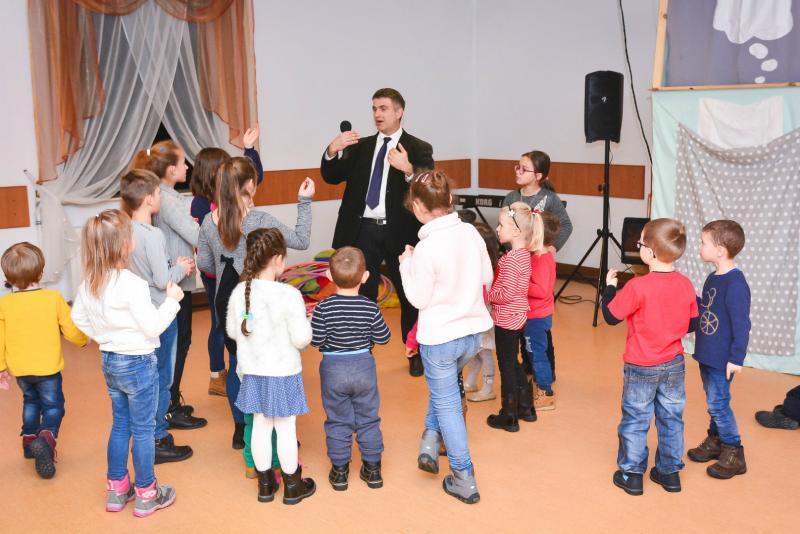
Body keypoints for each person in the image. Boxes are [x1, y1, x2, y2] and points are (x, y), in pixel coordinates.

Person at [71, 209, 181, 517]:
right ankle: (147, 493)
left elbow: (78, 317)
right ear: (123, 245)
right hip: (138, 364)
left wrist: (104, 337)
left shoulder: (90, 282)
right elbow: (153, 327)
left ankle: (117, 489)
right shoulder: (132, 283)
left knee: (121, 424)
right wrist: (172, 301)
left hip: (111, 361)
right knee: (144, 429)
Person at [197, 157, 313, 448]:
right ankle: (275, 426)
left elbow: (205, 263)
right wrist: (304, 202)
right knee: (268, 363)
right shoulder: (259, 220)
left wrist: (226, 264)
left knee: (238, 361)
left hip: (228, 300)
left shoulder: (209, 222)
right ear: (249, 185)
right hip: (260, 299)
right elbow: (301, 240)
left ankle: (242, 429)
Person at [320, 87, 434, 377]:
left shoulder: (419, 148)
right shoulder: (361, 146)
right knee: (361, 294)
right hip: (363, 231)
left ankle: (414, 351)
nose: (377, 114)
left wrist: (408, 170)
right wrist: (332, 150)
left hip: (401, 233)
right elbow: (331, 176)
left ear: (399, 111)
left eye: (383, 108)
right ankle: (361, 350)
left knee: (410, 295)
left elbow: (428, 188)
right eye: (374, 109)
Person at [399, 170, 493, 504]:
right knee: (445, 392)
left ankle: (463, 477)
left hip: (440, 339)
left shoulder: (425, 249)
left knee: (448, 404)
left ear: (417, 207)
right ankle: (428, 440)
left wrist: (406, 264)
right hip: (471, 336)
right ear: (450, 199)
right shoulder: (470, 232)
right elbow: (486, 275)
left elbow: (418, 298)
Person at [601, 218, 699, 496]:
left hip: (641, 365)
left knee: (636, 418)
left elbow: (610, 316)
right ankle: (669, 474)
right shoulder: (685, 284)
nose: (638, 247)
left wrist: (610, 288)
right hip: (674, 364)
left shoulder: (637, 286)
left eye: (640, 243)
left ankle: (631, 474)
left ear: (651, 252)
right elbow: (692, 323)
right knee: (671, 418)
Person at [226, 228, 315, 505]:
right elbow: (302, 339)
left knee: (261, 426)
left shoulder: (240, 291)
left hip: (253, 372)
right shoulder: (289, 294)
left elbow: (232, 331)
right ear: (277, 259)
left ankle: (265, 485)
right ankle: (292, 486)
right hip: (283, 372)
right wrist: (307, 321)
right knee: (286, 428)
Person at [121, 169, 196, 464]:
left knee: (147, 377)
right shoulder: (153, 234)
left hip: (138, 314)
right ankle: (158, 438)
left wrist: (170, 265)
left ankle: (149, 435)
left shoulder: (124, 229)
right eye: (157, 193)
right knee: (162, 377)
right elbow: (162, 279)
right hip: (160, 313)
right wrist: (182, 268)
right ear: (150, 199)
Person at [131, 141, 206, 429]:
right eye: (183, 162)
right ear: (171, 170)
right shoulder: (169, 200)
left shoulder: (164, 196)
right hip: (175, 285)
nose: (187, 167)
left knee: (174, 346)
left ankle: (170, 401)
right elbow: (197, 235)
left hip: (169, 280)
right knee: (177, 345)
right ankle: (170, 406)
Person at [0, 242, 88, 479]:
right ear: (41, 272)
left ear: (7, 278)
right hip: (48, 368)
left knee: (30, 402)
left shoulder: (4, 304)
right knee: (53, 407)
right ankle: (46, 438)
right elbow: (70, 329)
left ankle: (29, 443)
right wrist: (82, 341)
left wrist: (1, 367)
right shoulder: (53, 298)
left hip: (21, 369)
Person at [190, 126, 264, 397]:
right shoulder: (202, 204)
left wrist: (249, 150)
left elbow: (253, 177)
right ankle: (217, 373)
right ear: (213, 174)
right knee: (220, 323)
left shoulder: (221, 197)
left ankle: (235, 367)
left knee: (235, 319)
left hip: (229, 271)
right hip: (216, 274)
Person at [311, 246, 390, 492]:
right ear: (365, 277)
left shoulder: (323, 308)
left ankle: (339, 472)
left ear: (329, 276)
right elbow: (384, 337)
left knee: (337, 419)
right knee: (368, 418)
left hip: (333, 369)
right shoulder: (370, 307)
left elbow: (316, 340)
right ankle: (373, 470)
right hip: (364, 367)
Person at [687, 220, 751, 479]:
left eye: (704, 243)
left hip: (723, 359)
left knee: (718, 404)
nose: (699, 247)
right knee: (714, 402)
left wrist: (736, 358)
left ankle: (734, 451)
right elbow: (708, 309)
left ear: (720, 250)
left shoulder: (735, 284)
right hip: (708, 353)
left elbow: (742, 324)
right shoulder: (713, 277)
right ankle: (715, 441)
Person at [503, 150, 571, 382]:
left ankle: (546, 369)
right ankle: (528, 365)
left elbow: (566, 225)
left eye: (524, 169)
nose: (518, 171)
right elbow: (506, 227)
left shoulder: (549, 199)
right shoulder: (511, 197)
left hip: (538, 265)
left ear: (539, 175)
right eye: (517, 166)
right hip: (519, 263)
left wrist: (552, 247)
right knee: (522, 319)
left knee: (538, 324)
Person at [487, 203, 537, 432]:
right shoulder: (524, 256)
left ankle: (509, 415)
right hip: (518, 317)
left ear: (516, 231)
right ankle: (526, 407)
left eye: (501, 225)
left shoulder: (510, 260)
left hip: (506, 319)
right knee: (513, 361)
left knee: (506, 365)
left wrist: (489, 296)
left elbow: (505, 293)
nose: (497, 229)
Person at [525, 212, 560, 411]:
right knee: (536, 352)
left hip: (536, 317)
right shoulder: (542, 257)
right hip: (537, 314)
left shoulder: (540, 260)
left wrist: (521, 283)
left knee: (537, 354)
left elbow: (542, 291)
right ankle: (541, 384)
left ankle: (545, 392)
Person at [463, 222, 500, 403]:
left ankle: (488, 388)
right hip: (473, 319)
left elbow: (484, 298)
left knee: (485, 353)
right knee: (474, 353)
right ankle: (471, 382)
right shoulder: (475, 268)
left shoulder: (487, 273)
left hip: (483, 320)